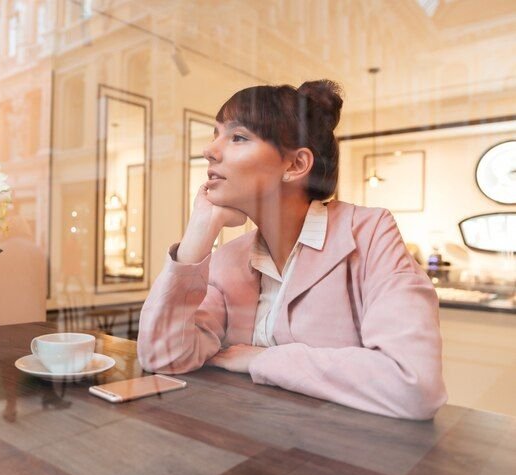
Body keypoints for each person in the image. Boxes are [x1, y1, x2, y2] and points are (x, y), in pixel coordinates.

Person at [137, 81, 447, 420]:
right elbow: (163, 355)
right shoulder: (230, 258)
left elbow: (413, 384)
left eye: (237, 137)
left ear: (295, 165)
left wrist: (261, 359)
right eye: (216, 135)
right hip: (249, 449)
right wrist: (198, 233)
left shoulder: (370, 233)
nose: (209, 150)